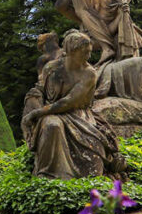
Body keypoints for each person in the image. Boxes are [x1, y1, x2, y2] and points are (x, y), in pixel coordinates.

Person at [22, 30, 125, 179]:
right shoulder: (51, 68)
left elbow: (69, 102)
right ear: (72, 51)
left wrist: (36, 113)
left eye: (89, 52)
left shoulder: (89, 73)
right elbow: (39, 92)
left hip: (79, 115)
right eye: (85, 53)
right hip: (51, 113)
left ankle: (77, 178)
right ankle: (48, 175)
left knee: (93, 165)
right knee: (52, 126)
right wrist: (31, 108)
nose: (89, 57)